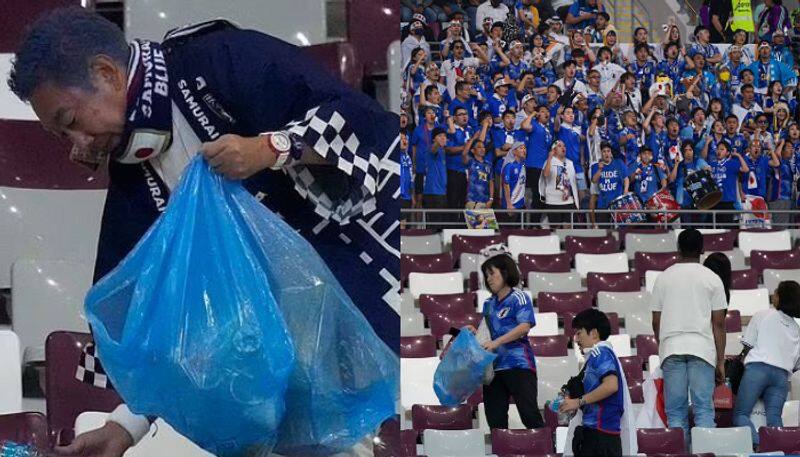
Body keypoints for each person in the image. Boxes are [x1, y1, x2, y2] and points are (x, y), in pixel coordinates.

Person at [9, 7, 400, 457]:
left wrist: (273, 147)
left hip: (372, 303)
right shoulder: (133, 186)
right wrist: (125, 426)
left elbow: (361, 122)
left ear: (106, 73)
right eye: (61, 137)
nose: (77, 148)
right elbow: (165, 329)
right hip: (299, 378)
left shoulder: (217, 60)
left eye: (71, 121)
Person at [651, 229, 728, 445]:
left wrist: (664, 345)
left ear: (678, 249)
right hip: (702, 350)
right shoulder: (712, 278)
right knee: (704, 409)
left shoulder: (663, 277)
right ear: (702, 249)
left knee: (675, 413)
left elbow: (656, 322)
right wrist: (720, 361)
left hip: (672, 349)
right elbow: (719, 324)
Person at [475, 251, 545, 429]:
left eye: (492, 273)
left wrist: (496, 343)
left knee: (529, 415)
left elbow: (524, 327)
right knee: (495, 420)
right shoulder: (488, 304)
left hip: (519, 365)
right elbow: (488, 333)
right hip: (494, 369)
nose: (488, 279)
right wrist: (474, 331)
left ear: (505, 272)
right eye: (486, 275)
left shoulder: (519, 297)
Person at [732, 280, 800, 447]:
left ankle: (761, 445)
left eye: (775, 292)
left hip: (757, 371)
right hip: (781, 377)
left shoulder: (762, 314)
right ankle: (778, 450)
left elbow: (747, 348)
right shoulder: (796, 328)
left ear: (779, 297)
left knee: (740, 415)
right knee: (775, 420)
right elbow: (797, 364)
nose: (773, 295)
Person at [560, 308, 633, 457]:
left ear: (593, 333)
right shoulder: (594, 357)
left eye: (579, 333)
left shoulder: (600, 353)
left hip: (601, 436)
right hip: (596, 433)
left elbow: (611, 386)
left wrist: (578, 401)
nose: (575, 339)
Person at [541, 140, 579, 228]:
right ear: (554, 150)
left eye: (564, 146)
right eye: (560, 146)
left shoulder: (570, 163)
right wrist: (549, 158)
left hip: (568, 201)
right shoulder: (548, 162)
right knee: (555, 229)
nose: (563, 148)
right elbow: (546, 175)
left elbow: (573, 183)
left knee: (568, 229)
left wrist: (576, 202)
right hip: (553, 202)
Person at [590, 142, 628, 227]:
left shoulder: (619, 163)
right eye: (604, 151)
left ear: (611, 153)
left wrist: (625, 190)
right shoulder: (596, 166)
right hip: (602, 204)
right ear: (601, 153)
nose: (606, 153)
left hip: (618, 204)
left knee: (619, 231)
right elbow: (594, 181)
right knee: (604, 232)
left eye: (608, 151)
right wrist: (600, 170)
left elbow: (626, 179)